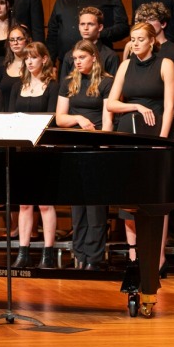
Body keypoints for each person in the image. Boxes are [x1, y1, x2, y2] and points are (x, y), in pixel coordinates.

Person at [107, 22, 174, 268]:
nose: (135, 43)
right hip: (129, 134)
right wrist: (135, 106)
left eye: (140, 39)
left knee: (155, 200)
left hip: (155, 135)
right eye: (132, 39)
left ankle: (157, 257)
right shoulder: (125, 65)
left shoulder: (165, 64)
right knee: (129, 198)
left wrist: (162, 141)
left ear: (152, 41)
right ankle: (134, 256)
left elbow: (169, 107)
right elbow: (111, 104)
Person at [56, 40, 114, 269]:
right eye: (75, 59)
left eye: (82, 57)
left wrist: (105, 146)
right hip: (74, 146)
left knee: (95, 207)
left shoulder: (107, 82)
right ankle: (79, 254)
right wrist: (78, 119)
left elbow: (108, 120)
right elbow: (60, 118)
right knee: (77, 204)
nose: (77, 62)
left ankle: (94, 257)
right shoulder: (69, 82)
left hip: (96, 146)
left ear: (94, 58)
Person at [9, 41, 59, 268]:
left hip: (43, 149)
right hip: (21, 150)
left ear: (44, 60)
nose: (29, 61)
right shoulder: (17, 86)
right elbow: (10, 117)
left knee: (45, 204)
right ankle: (23, 252)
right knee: (24, 204)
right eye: (26, 58)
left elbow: (52, 119)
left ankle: (48, 253)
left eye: (34, 57)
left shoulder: (52, 85)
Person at [58, 6, 119, 80]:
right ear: (79, 27)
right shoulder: (69, 55)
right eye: (82, 24)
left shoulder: (110, 56)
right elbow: (63, 86)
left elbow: (114, 87)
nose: (86, 28)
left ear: (100, 27)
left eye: (90, 24)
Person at [134, 2, 174, 77]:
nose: (146, 23)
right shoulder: (138, 49)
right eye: (143, 20)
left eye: (151, 19)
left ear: (163, 24)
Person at [0, 25, 30, 103]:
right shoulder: (2, 68)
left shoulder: (32, 66)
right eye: (12, 40)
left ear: (27, 41)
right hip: (5, 113)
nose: (15, 43)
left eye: (19, 39)